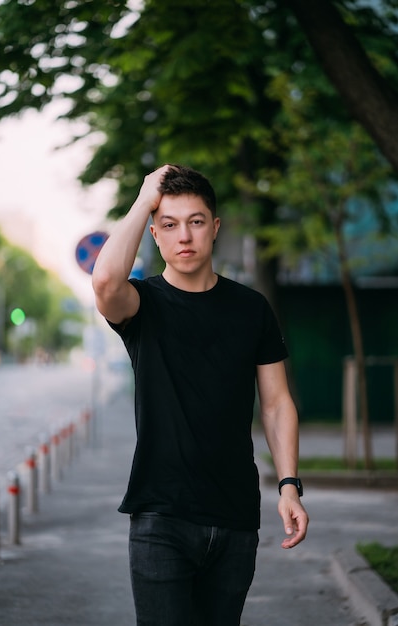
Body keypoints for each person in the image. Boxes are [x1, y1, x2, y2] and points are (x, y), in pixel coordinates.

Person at [92, 164, 309, 626]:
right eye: (168, 225)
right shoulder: (141, 305)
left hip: (235, 519)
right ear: (154, 234)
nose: (183, 236)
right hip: (160, 519)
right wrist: (145, 195)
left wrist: (289, 484)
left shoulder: (252, 309)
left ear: (215, 227)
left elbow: (275, 403)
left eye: (195, 221)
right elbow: (106, 281)